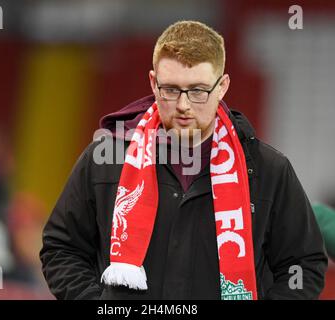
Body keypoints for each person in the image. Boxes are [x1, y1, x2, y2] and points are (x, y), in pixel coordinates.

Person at [40, 20, 327, 300]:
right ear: (153, 83)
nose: (183, 105)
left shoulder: (268, 170)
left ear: (222, 86)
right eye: (171, 89)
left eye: (199, 91)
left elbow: (303, 266)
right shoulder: (104, 159)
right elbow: (61, 249)